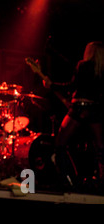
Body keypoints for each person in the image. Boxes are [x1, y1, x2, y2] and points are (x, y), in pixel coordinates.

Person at [43, 41, 104, 192]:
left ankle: (69, 180)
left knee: (60, 144)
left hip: (78, 108)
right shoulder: (102, 70)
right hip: (95, 110)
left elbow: (72, 85)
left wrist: (52, 85)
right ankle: (101, 181)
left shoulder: (83, 65)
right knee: (100, 148)